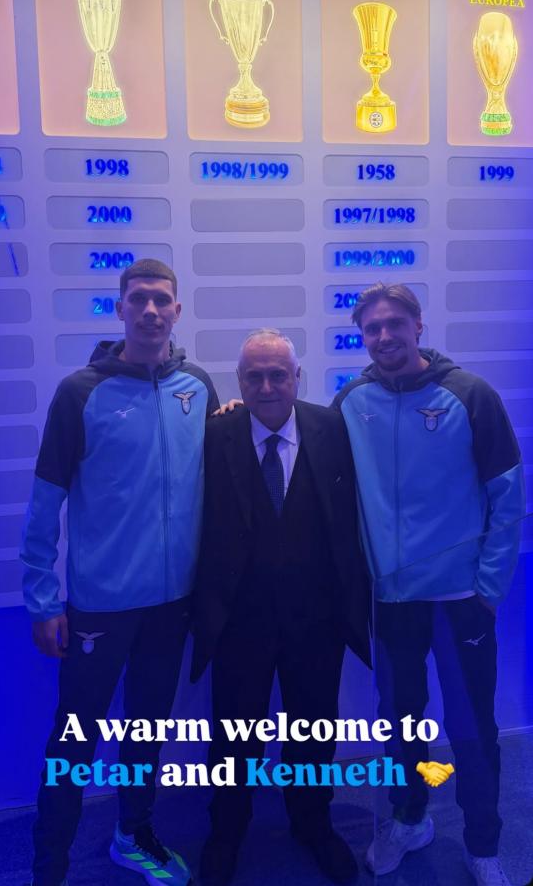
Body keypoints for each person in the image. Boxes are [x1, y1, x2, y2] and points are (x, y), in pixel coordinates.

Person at [20, 258, 219, 886]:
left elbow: (218, 471)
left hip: (171, 604)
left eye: (162, 300)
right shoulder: (80, 392)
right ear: (120, 309)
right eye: (138, 299)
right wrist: (42, 598)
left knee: (147, 728)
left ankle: (132, 835)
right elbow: (45, 499)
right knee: (74, 738)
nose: (151, 311)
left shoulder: (198, 387)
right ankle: (48, 865)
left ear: (177, 311)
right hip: (100, 606)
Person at [331, 282, 525, 886]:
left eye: (395, 323)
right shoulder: (351, 402)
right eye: (372, 328)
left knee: (471, 728)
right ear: (362, 337)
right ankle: (409, 818)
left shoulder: (470, 394)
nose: (384, 336)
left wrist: (488, 587)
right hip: (392, 602)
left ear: (418, 325)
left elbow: (508, 496)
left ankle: (483, 844)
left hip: (460, 601)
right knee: (399, 723)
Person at [191, 329, 371, 886]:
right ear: (238, 382)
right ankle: (226, 831)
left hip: (317, 619)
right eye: (254, 376)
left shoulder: (333, 428)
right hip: (238, 620)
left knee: (314, 731)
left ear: (298, 378)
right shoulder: (213, 433)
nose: (266, 386)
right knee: (233, 734)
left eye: (278, 375)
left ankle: (313, 824)